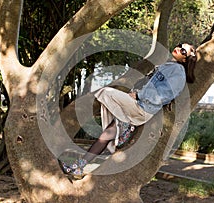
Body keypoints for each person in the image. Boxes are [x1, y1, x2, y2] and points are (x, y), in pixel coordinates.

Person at [59, 43, 197, 177]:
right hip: (137, 105)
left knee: (105, 92)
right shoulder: (168, 66)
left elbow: (164, 95)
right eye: (179, 46)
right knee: (107, 134)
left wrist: (139, 95)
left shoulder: (179, 73)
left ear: (185, 59)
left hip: (142, 108)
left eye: (183, 51)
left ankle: (124, 130)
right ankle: (79, 166)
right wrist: (137, 92)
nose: (178, 49)